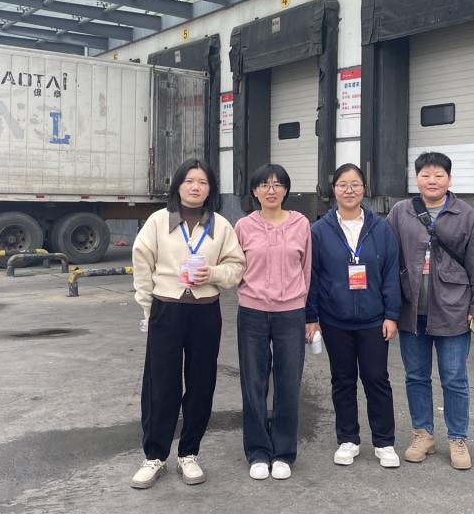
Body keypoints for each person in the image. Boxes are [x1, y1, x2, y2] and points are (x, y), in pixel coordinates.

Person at [130, 158, 245, 489]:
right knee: (161, 384)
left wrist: (215, 273)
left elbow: (237, 266)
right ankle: (154, 456)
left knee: (201, 382)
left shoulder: (220, 225)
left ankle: (189, 453)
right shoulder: (158, 221)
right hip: (166, 309)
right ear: (178, 185)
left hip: (205, 312)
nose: (196, 187)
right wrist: (147, 308)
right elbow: (142, 264)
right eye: (189, 181)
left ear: (211, 189)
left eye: (203, 182)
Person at [385, 151, 474, 470]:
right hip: (411, 309)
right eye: (426, 175)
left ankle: (457, 438)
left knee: (454, 377)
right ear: (416, 179)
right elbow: (388, 259)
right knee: (416, 376)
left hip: (453, 309)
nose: (432, 181)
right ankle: (423, 434)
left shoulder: (465, 214)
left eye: (439, 175)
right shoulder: (401, 212)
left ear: (449, 179)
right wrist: (388, 307)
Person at [306, 163, 402, 468]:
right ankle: (348, 439)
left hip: (374, 319)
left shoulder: (380, 228)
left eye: (355, 184)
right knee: (343, 380)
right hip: (335, 319)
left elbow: (391, 274)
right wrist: (312, 317)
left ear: (364, 189)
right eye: (343, 185)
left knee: (377, 379)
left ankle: (384, 442)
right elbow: (312, 277)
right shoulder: (319, 231)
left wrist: (392, 314)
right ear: (333, 190)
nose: (349, 190)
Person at [234, 164, 312, 481]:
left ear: (286, 190)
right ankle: (258, 451)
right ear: (254, 191)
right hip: (252, 311)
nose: (271, 190)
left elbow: (307, 269)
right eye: (264, 184)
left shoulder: (301, 224)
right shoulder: (243, 226)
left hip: (291, 312)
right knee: (253, 382)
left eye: (278, 184)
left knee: (288, 382)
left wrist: (307, 313)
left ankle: (282, 452)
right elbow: (235, 266)